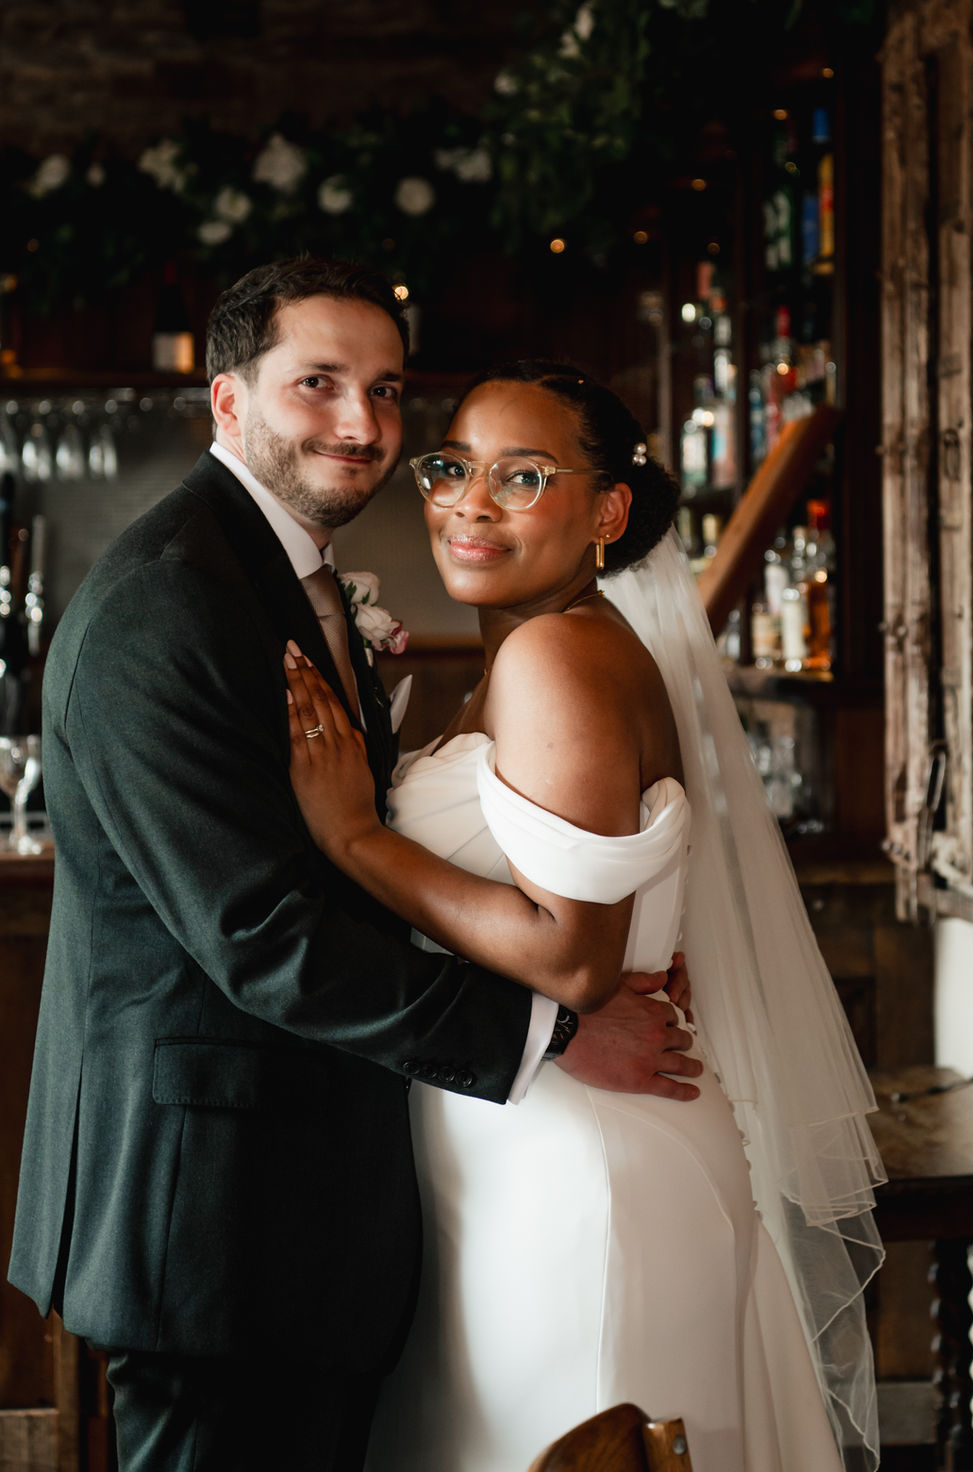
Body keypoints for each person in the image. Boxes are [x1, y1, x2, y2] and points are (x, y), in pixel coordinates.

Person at [6, 264, 703, 1472]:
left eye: (383, 390)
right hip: (210, 1205)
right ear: (227, 402)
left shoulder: (284, 580)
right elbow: (261, 929)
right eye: (316, 384)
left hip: (317, 1199)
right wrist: (540, 1032)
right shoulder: (170, 602)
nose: (362, 424)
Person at [282, 359, 887, 1472]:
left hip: (580, 1181)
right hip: (535, 1149)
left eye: (522, 475)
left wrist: (355, 837)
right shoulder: (549, 643)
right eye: (453, 466)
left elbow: (571, 954)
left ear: (606, 509)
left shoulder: (556, 655)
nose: (469, 500)